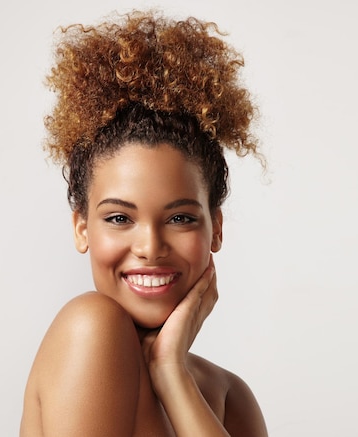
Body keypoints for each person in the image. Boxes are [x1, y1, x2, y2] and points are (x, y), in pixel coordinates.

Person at [20, 9, 267, 437]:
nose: (150, 246)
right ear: (81, 227)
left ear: (217, 228)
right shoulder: (92, 329)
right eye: (119, 217)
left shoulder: (229, 397)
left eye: (179, 218)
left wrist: (172, 373)